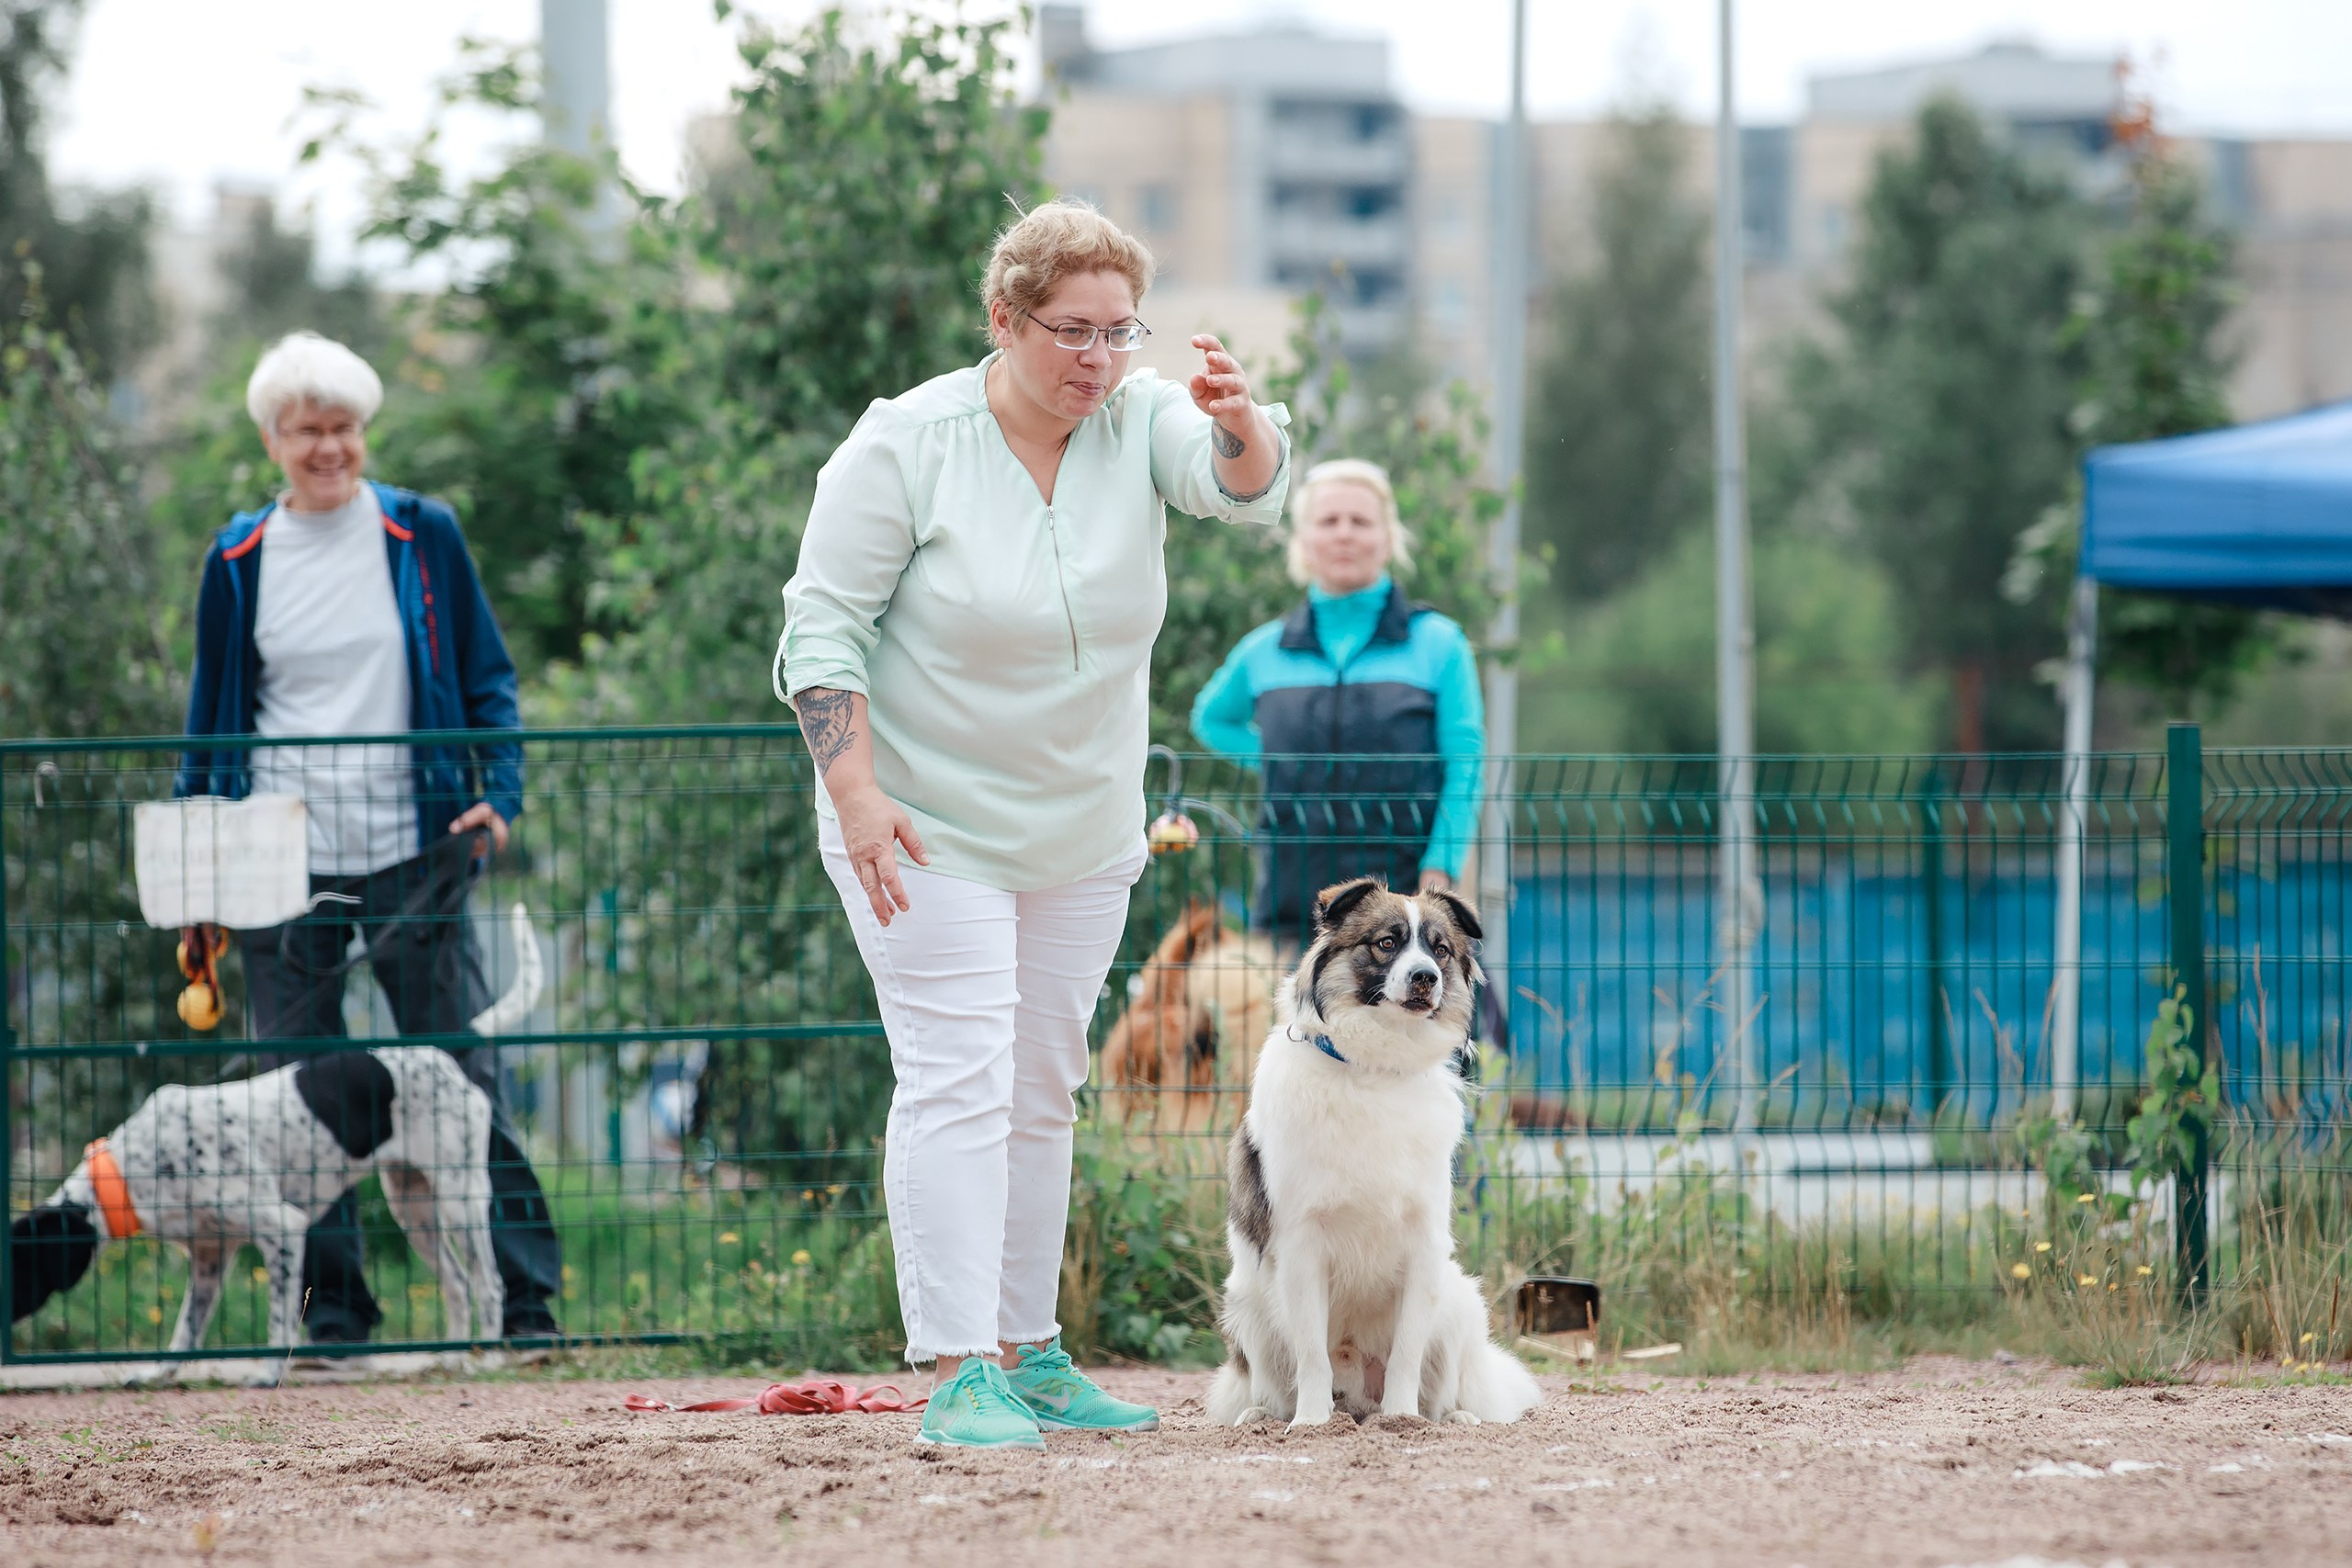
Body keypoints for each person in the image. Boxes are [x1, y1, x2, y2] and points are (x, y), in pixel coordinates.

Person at [777, 198, 1290, 1448]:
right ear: (1003, 319)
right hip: (921, 822)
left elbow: (1242, 488)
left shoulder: (1138, 416)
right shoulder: (907, 443)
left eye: (1120, 331)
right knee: (958, 1077)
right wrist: (858, 797)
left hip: (1082, 824)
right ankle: (959, 1367)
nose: (1096, 358)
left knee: (1043, 1086)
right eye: (1070, 330)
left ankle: (1035, 1352)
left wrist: (1242, 425)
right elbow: (819, 629)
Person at [175, 331, 562, 1344]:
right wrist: (196, 869)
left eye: (344, 427)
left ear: (365, 430)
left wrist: (501, 792)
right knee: (296, 1097)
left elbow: (489, 675)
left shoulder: (421, 534)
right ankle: (331, 1314)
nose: (330, 448)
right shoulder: (238, 558)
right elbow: (210, 716)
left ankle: (526, 1308)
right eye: (308, 431)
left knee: (459, 1072)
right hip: (277, 861)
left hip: (413, 848)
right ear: (273, 439)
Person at [1190, 457, 1487, 949]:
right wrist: (1280, 762)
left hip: (1405, 912)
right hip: (1292, 905)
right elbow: (1211, 719)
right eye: (1328, 521)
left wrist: (1441, 870)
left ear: (1388, 538)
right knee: (1289, 1029)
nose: (1344, 534)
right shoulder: (1264, 650)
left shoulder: (1439, 644)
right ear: (1303, 541)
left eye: (1361, 521)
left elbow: (1466, 766)